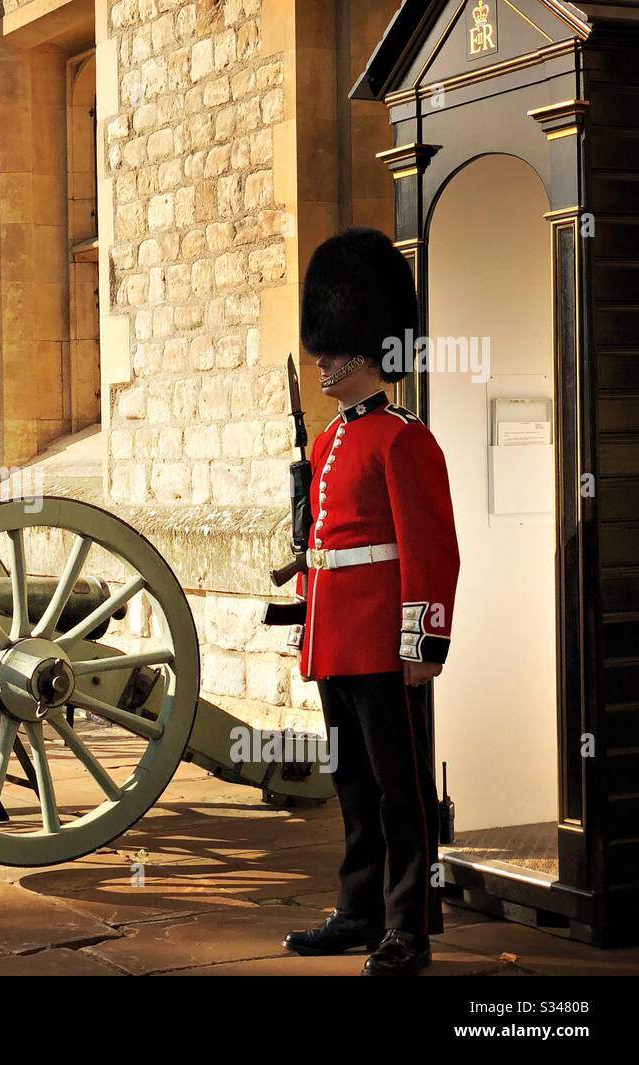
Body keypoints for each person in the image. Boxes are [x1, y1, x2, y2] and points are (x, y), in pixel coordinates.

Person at [278, 227, 460, 976]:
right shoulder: (326, 445)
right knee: (353, 786)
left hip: (384, 642)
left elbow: (430, 549)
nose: (321, 359)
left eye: (332, 346)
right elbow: (321, 547)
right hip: (337, 641)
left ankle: (408, 928)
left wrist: (423, 643)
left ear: (363, 349)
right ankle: (358, 911)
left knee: (402, 792)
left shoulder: (402, 439)